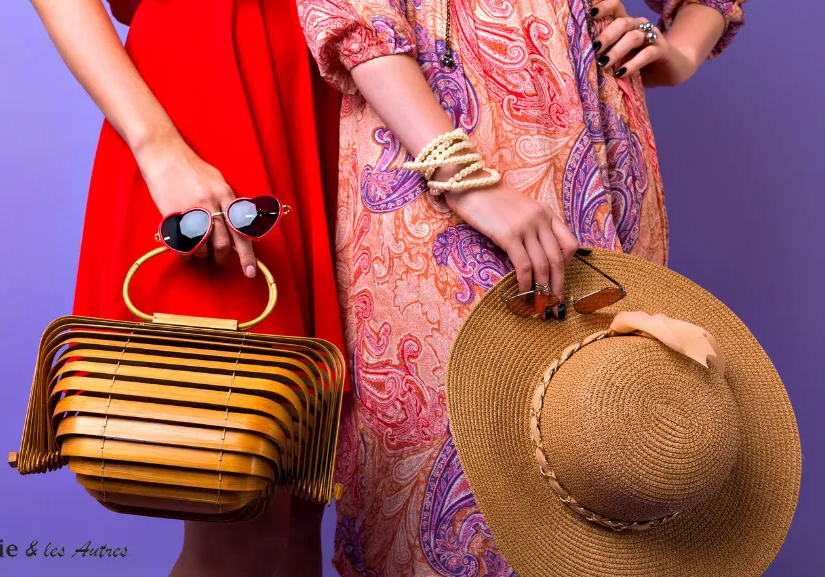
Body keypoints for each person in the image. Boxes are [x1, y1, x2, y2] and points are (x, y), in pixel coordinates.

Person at [295, 0, 747, 573]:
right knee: (449, 475)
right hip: (426, 139)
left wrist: (681, 49)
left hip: (596, 146)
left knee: (603, 443)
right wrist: (463, 179)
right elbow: (355, 20)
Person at [28, 0, 345, 575]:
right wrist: (159, 147)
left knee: (302, 524)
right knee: (239, 513)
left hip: (334, 81)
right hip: (211, 88)